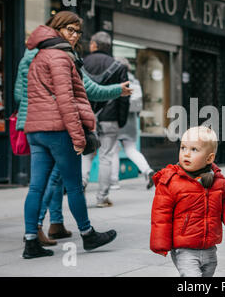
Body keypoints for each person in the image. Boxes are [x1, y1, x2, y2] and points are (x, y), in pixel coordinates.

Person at [14, 24, 132, 247]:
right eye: (71, 30)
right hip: (58, 130)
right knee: (74, 186)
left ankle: (32, 241)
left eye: (78, 31)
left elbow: (21, 94)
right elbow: (67, 100)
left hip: (35, 129)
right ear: (57, 32)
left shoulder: (35, 56)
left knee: (37, 186)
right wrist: (79, 138)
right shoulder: (60, 57)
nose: (76, 35)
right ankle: (88, 235)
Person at [150, 126, 225, 277]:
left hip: (209, 247)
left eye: (194, 150)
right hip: (184, 247)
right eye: (183, 147)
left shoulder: (217, 180)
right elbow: (161, 213)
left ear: (209, 158)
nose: (186, 153)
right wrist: (160, 243)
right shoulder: (171, 180)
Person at [82, 31, 130, 208]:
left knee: (86, 154)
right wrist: (121, 120)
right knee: (106, 157)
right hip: (110, 119)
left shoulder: (81, 63)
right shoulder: (118, 66)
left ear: (93, 45)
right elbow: (125, 98)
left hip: (86, 117)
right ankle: (102, 198)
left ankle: (81, 186)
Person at [109, 57, 155, 191]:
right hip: (132, 120)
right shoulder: (135, 80)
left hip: (118, 119)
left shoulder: (116, 78)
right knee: (131, 149)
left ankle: (114, 182)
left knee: (113, 151)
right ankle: (147, 170)